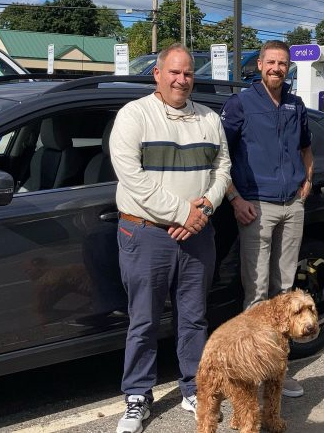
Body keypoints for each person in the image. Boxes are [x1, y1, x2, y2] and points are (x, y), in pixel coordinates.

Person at [109, 43, 231, 433]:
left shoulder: (210, 118)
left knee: (194, 317)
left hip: (197, 234)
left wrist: (205, 210)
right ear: (157, 75)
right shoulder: (134, 116)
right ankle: (137, 396)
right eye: (174, 72)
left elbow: (223, 169)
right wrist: (184, 214)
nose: (182, 79)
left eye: (188, 73)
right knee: (143, 319)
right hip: (145, 233)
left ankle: (194, 387)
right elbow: (134, 179)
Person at [220, 40, 314, 398]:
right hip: (256, 207)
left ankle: (278, 371)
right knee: (257, 295)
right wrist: (234, 198)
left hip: (292, 205)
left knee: (286, 292)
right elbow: (220, 155)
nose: (276, 68)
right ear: (259, 65)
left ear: (288, 67)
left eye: (282, 63)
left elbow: (307, 146)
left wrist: (307, 181)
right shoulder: (241, 103)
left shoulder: (295, 103)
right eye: (270, 62)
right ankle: (252, 369)